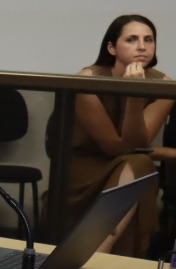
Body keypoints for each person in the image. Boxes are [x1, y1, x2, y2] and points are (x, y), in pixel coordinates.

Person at [66, 14, 174, 256]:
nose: (142, 47)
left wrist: (134, 95)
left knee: (139, 163)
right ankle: (100, 253)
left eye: (148, 40)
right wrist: (134, 94)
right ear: (112, 48)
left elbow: (137, 144)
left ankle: (102, 252)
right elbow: (114, 148)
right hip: (84, 166)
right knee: (139, 164)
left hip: (130, 163)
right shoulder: (88, 80)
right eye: (131, 40)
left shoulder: (164, 84)